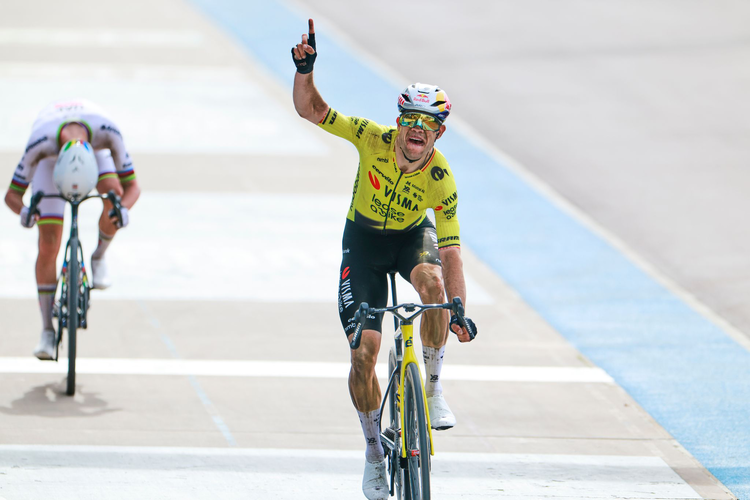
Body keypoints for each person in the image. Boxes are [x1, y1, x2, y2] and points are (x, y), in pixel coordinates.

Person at [292, 19, 477, 500]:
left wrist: (458, 308)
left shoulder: (441, 178)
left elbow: (451, 250)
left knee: (434, 289)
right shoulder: (370, 138)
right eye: (410, 119)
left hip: (411, 239)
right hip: (365, 246)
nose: (417, 129)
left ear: (439, 133)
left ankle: (432, 388)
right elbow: (312, 110)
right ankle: (375, 453)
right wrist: (305, 71)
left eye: (428, 124)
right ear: (398, 122)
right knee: (363, 355)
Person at [4, 98, 141, 360]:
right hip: (50, 162)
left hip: (95, 154)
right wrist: (24, 212)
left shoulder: (108, 133)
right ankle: (47, 330)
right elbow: (12, 194)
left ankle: (98, 256)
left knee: (113, 196)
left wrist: (122, 209)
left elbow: (133, 187)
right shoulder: (40, 143)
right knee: (48, 244)